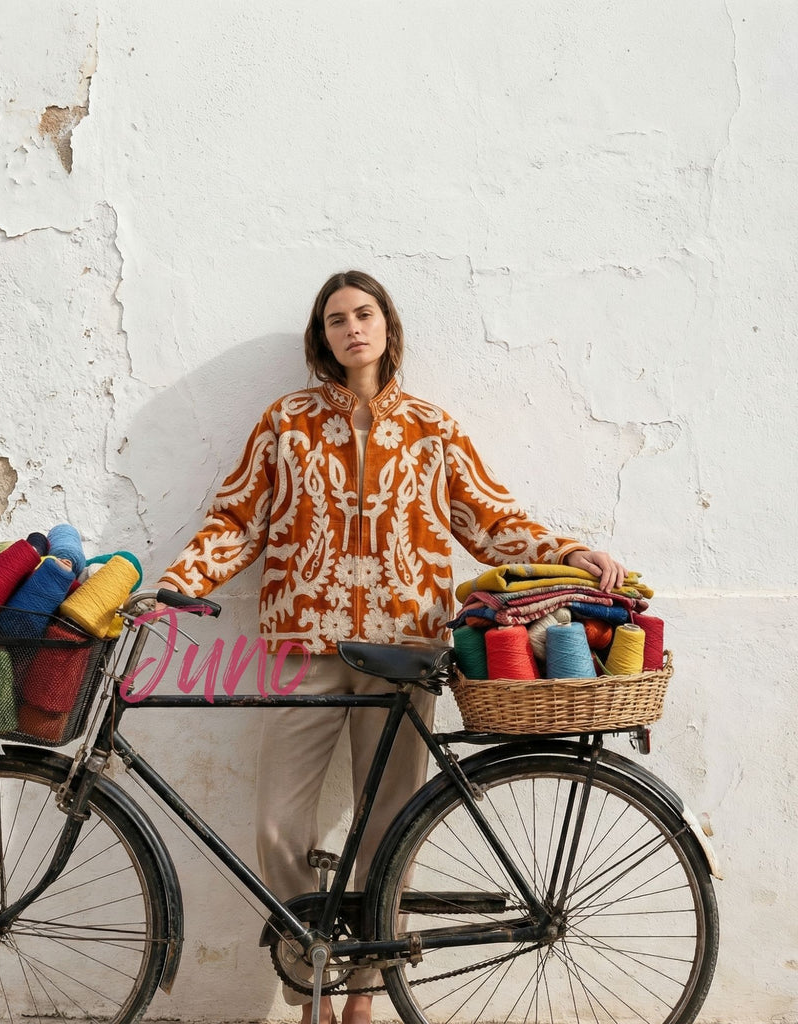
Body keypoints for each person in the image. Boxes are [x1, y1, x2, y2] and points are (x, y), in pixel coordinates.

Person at [157, 270, 625, 1024]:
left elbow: (491, 520)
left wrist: (566, 552)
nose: (352, 328)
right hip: (304, 645)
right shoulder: (286, 423)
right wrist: (179, 580)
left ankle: (366, 989)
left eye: (364, 313)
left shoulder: (433, 429)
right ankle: (308, 978)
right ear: (323, 337)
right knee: (279, 824)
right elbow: (238, 519)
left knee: (392, 827)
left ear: (385, 324)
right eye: (336, 318)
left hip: (406, 650)